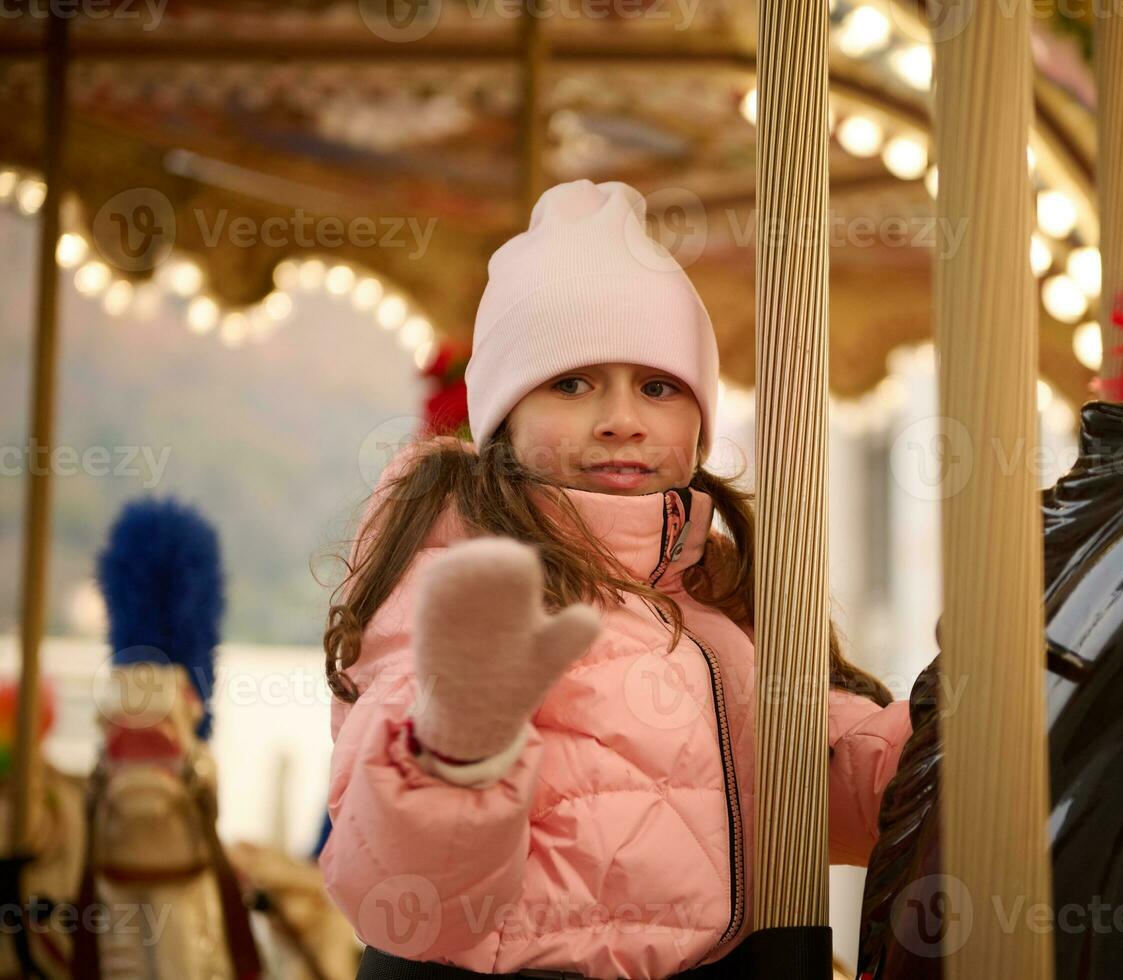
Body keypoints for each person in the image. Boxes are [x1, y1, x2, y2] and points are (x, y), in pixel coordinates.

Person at [319, 179, 913, 979]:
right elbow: (409, 896)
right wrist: (458, 746)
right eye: (571, 383)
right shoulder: (456, 580)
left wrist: (944, 730)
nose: (622, 418)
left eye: (658, 387)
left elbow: (823, 792)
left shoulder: (710, 596)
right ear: (503, 417)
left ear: (698, 422)